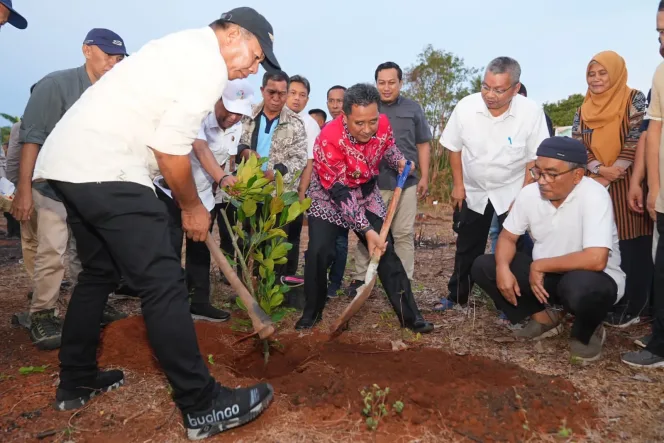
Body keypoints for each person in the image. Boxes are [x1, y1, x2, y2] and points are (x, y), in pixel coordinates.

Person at [31, 8, 279, 439]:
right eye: (256, 55)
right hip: (107, 164)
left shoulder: (178, 48)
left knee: (99, 273)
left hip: (70, 163)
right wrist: (191, 207)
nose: (254, 67)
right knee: (164, 280)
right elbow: (169, 149)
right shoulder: (207, 64)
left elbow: (160, 139)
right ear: (234, 34)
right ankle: (202, 405)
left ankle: (76, 379)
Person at [11, 29, 129, 350]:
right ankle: (42, 313)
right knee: (53, 249)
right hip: (50, 185)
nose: (113, 63)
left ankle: (89, 302)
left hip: (88, 186)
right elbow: (31, 139)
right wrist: (23, 190)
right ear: (87, 50)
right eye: (107, 55)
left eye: (118, 58)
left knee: (88, 251)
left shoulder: (113, 94)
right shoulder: (56, 85)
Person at [295, 83, 433, 333]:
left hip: (365, 193)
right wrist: (367, 230)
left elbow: (387, 146)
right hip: (329, 196)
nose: (368, 129)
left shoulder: (381, 124)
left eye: (372, 121)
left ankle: (411, 318)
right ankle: (311, 313)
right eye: (359, 123)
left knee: (385, 251)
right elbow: (340, 193)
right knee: (319, 253)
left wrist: (400, 161)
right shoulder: (328, 138)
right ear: (345, 116)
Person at [472, 137, 625, 363]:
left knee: (582, 287)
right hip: (545, 279)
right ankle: (544, 319)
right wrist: (503, 267)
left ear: (577, 175)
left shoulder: (594, 195)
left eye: (552, 174)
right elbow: (507, 237)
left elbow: (596, 259)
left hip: (592, 278)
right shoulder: (529, 194)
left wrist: (540, 265)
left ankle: (587, 332)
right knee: (485, 266)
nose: (542, 181)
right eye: (538, 172)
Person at [437, 57, 550, 311]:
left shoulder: (531, 112)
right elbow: (454, 147)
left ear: (516, 88)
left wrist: (523, 195)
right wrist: (458, 185)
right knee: (467, 244)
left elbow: (535, 158)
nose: (490, 95)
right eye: (485, 87)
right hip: (475, 190)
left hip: (512, 189)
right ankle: (457, 296)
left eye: (499, 90)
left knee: (515, 246)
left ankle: (513, 302)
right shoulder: (466, 107)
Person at [155, 80, 253, 322]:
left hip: (204, 196)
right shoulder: (198, 115)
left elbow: (223, 158)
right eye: (229, 110)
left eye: (239, 114)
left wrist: (219, 182)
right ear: (218, 100)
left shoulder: (236, 126)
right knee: (170, 249)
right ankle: (169, 305)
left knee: (200, 250)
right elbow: (200, 149)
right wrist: (222, 179)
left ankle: (198, 303)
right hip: (172, 191)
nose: (233, 117)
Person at [572, 51, 651, 329]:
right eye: (591, 74)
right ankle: (614, 301)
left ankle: (636, 306)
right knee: (606, 244)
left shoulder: (634, 98)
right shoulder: (583, 109)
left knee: (633, 245)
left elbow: (637, 136)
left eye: (602, 73)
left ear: (616, 73)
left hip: (630, 182)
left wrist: (612, 172)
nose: (596, 79)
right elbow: (578, 142)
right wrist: (597, 169)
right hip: (596, 182)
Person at [349, 62, 431, 297]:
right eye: (381, 83)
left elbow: (423, 144)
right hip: (373, 184)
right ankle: (359, 278)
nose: (386, 88)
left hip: (406, 182)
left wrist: (424, 176)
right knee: (369, 232)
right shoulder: (367, 109)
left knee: (403, 233)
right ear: (376, 83)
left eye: (391, 82)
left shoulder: (413, 109)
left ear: (400, 83)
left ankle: (403, 282)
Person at [234, 71, 309, 279]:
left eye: (281, 94)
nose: (276, 98)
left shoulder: (295, 122)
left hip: (279, 194)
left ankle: (273, 291)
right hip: (251, 191)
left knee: (275, 245)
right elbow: (234, 143)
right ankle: (247, 289)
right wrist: (244, 151)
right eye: (271, 92)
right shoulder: (246, 116)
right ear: (262, 90)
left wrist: (274, 173)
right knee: (248, 240)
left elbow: (299, 159)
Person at [622, 1, 664, 368]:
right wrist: (649, 185)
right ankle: (660, 338)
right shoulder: (661, 73)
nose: (661, 41)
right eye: (659, 33)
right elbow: (652, 132)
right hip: (662, 192)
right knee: (660, 264)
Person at [489, 83, 551, 254]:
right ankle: (499, 265)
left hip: (525, 183)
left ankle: (530, 266)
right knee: (497, 230)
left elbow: (540, 155)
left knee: (522, 230)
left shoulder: (537, 117)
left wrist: (526, 189)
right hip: (496, 185)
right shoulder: (498, 119)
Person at [285, 75, 321, 280]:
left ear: (307, 99)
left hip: (295, 192)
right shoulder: (277, 117)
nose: (296, 99)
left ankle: (287, 277)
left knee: (292, 236)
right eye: (293, 93)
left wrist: (301, 194)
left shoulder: (309, 124)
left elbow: (310, 161)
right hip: (272, 189)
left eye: (302, 95)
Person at [325, 85, 350, 297]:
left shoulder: (354, 130)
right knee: (324, 240)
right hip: (325, 195)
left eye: (339, 101)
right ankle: (319, 278)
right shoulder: (323, 129)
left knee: (341, 241)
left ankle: (335, 282)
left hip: (345, 195)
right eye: (331, 101)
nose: (335, 105)